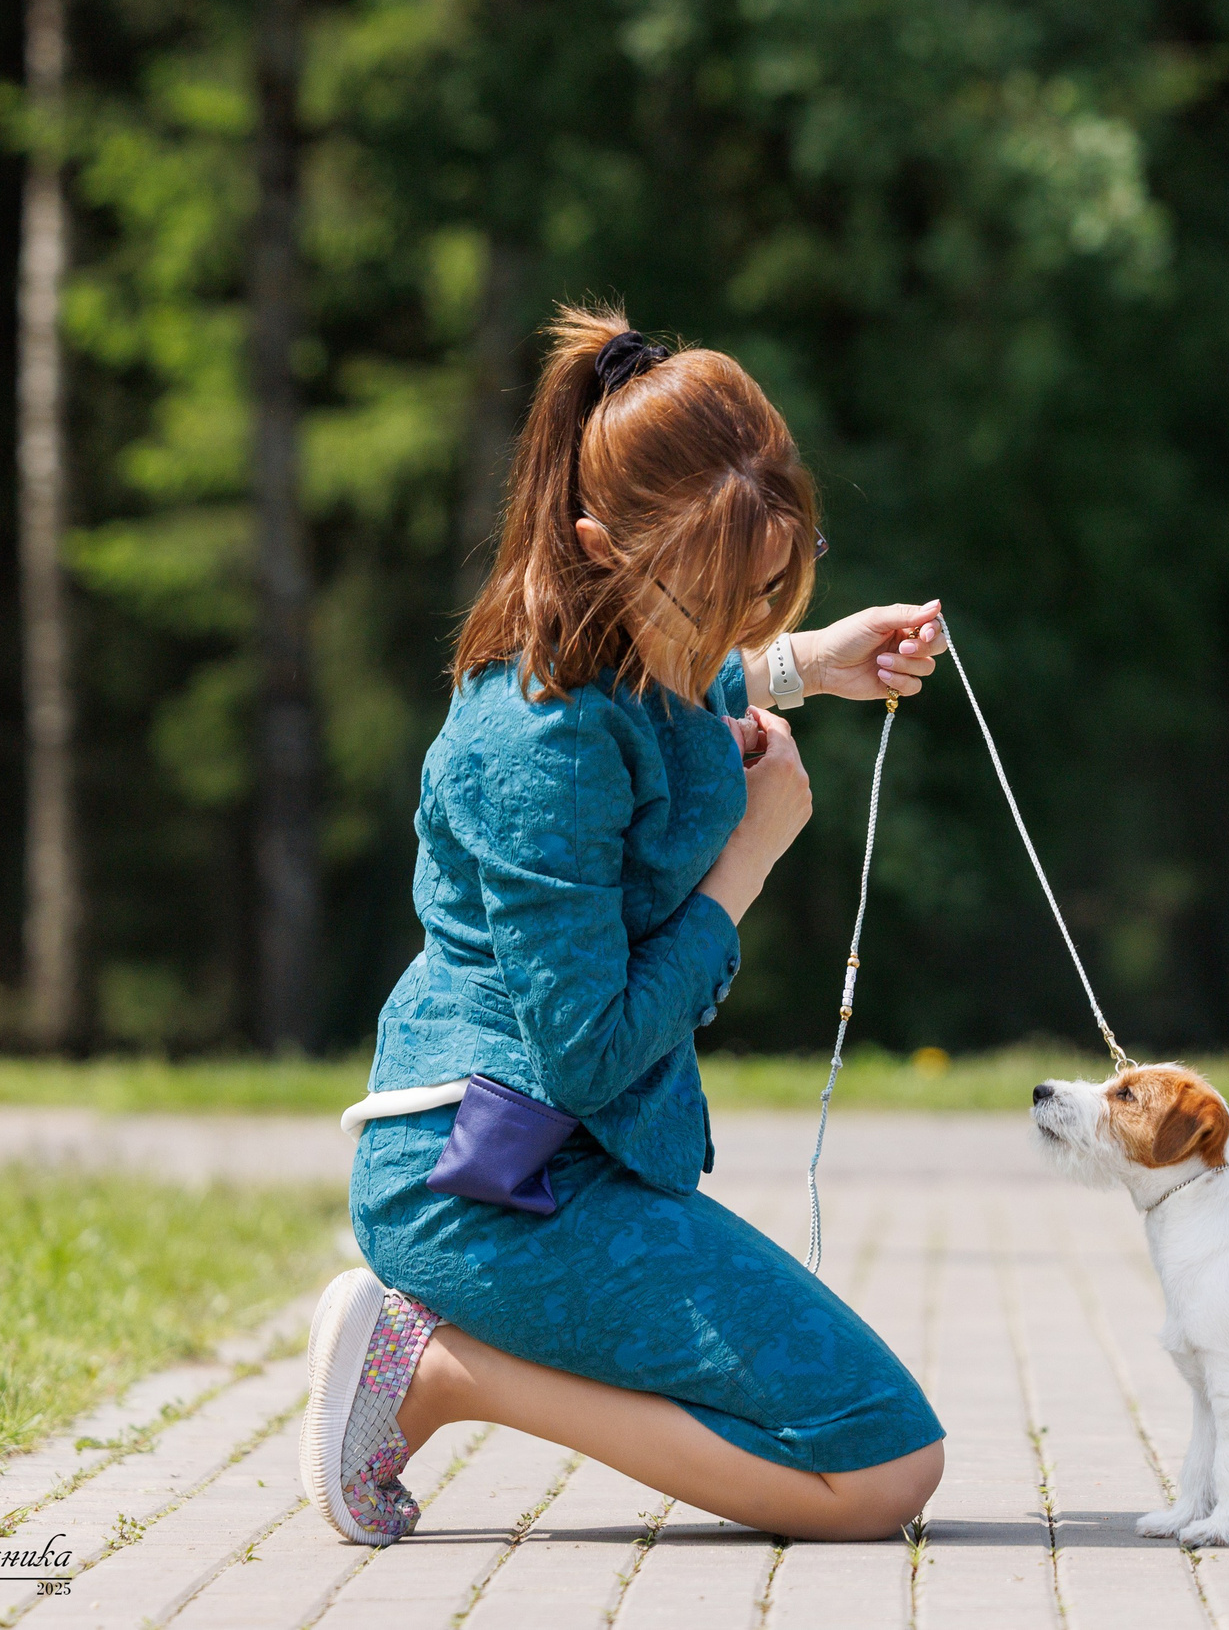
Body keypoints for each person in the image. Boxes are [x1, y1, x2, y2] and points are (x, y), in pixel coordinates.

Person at [299, 305, 949, 1547]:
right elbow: (588, 1050)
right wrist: (746, 866)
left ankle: (441, 1364)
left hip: (574, 1162)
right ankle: (434, 1372)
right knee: (880, 1471)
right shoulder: (538, 742)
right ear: (602, 548)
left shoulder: (627, 647)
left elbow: (683, 671)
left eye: (774, 580)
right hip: (483, 1185)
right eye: (723, 594)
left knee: (875, 1443)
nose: (745, 622)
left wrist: (811, 662)